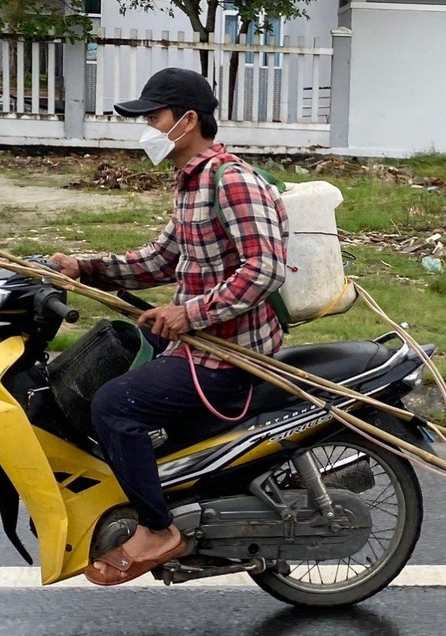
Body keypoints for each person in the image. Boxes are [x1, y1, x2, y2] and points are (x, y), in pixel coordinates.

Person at [51, 68, 288, 585]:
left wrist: (190, 313)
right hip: (200, 339)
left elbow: (265, 267)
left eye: (153, 118)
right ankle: (166, 484)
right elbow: (162, 259)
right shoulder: (192, 182)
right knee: (90, 367)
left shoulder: (232, 180)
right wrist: (85, 267)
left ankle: (159, 530)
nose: (147, 129)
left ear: (187, 120)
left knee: (114, 405)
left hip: (227, 354)